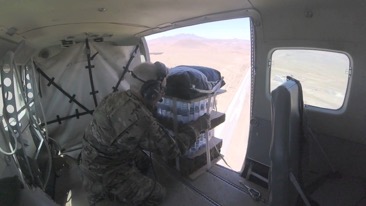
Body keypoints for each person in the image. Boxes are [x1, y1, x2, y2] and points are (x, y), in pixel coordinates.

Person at [80, 61, 211, 206]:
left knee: (144, 163)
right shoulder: (141, 119)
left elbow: (146, 117)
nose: (162, 94)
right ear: (152, 91)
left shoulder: (117, 97)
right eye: (161, 89)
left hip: (92, 157)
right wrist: (198, 126)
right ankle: (106, 195)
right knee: (158, 194)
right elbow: (173, 149)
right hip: (104, 171)